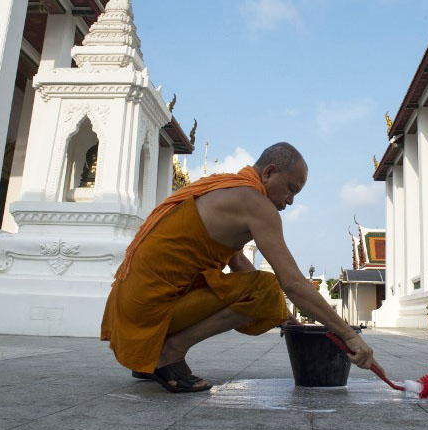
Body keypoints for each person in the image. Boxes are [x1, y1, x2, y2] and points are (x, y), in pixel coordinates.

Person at [101, 142, 383, 393]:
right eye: (291, 189)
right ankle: (169, 352)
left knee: (265, 292)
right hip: (148, 311)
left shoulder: (225, 189)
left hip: (131, 307)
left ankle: (148, 357)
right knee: (268, 287)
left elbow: (237, 260)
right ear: (269, 172)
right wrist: (348, 334)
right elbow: (292, 283)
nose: (291, 200)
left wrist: (283, 316)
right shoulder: (256, 204)